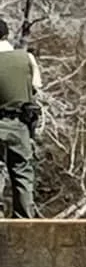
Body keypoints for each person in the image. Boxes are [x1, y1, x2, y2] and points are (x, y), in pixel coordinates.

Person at [0, 17, 43, 219]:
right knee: (23, 174)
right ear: (6, 35)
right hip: (20, 125)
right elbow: (35, 88)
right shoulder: (27, 58)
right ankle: (25, 222)